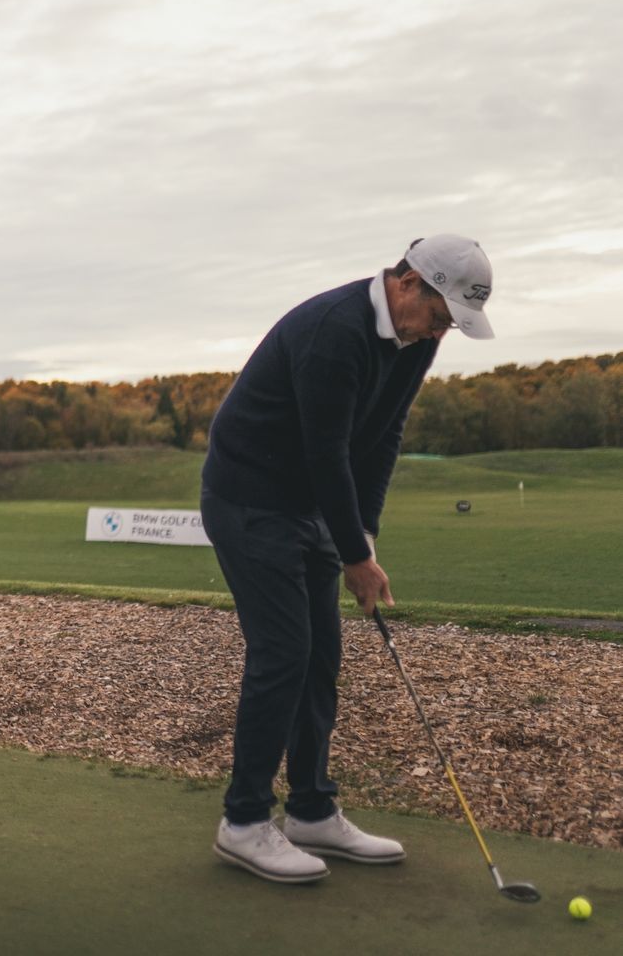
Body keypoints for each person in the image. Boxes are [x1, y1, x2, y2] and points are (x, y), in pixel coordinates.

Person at [201, 234, 494, 883]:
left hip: (306, 502)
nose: (439, 332)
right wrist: (355, 558)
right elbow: (325, 452)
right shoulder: (335, 331)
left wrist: (363, 531)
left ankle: (310, 810)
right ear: (408, 282)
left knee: (320, 658)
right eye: (440, 315)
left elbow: (383, 434)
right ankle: (243, 823)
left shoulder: (417, 339)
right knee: (283, 653)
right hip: (249, 498)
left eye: (450, 324)